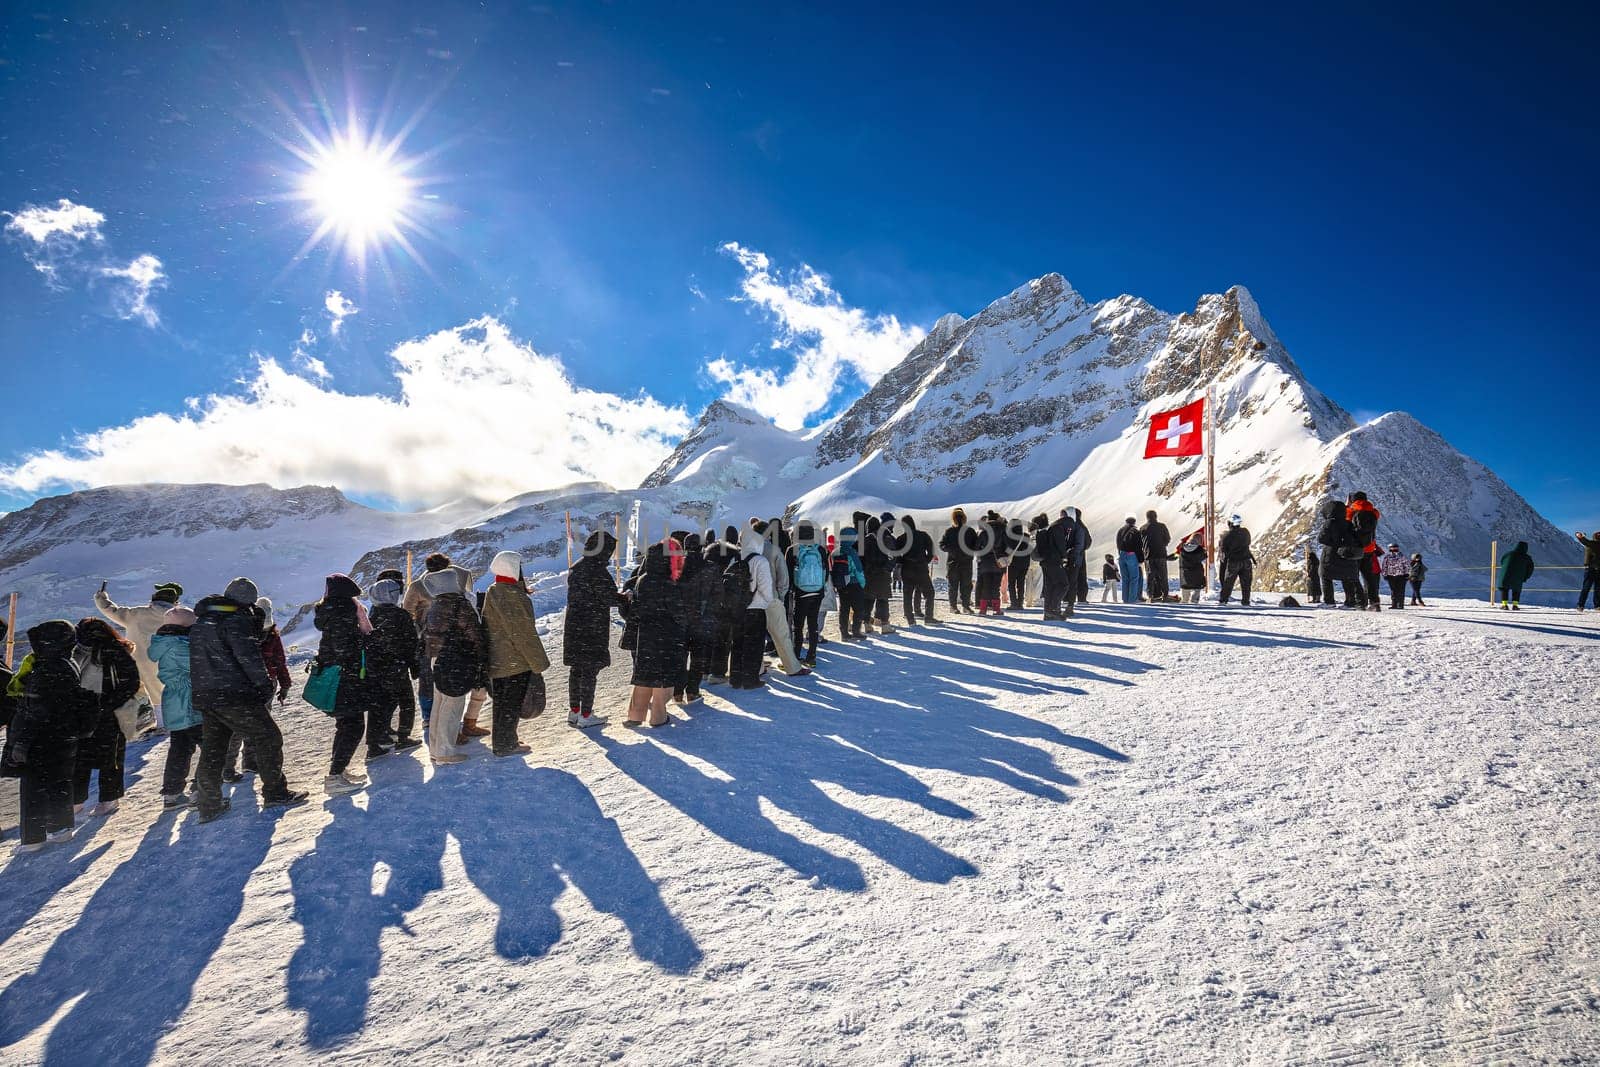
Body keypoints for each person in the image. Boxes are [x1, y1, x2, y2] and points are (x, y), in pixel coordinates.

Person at [191, 577, 307, 821]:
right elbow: (249, 658)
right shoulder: (236, 621)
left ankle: (208, 804)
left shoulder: (203, 621)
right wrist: (264, 687)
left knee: (214, 749)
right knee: (268, 737)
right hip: (235, 694)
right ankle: (275, 792)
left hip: (207, 695)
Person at [3, 621, 98, 851]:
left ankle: (33, 837)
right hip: (62, 735)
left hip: (39, 739)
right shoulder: (66, 664)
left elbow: (34, 711)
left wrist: (20, 742)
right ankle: (61, 828)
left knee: (33, 787)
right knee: (60, 782)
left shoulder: (43, 669)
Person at [69, 618, 141, 817]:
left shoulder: (76, 652)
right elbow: (131, 682)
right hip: (111, 714)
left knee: (80, 759)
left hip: (84, 713)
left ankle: (76, 800)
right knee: (111, 758)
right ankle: (109, 799)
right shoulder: (117, 650)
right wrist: (109, 703)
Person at [313, 573, 377, 794]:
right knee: (353, 725)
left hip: (336, 674)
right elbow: (344, 647)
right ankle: (334, 776)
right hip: (345, 677)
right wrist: (364, 641)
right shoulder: (343, 611)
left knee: (345, 724)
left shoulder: (329, 610)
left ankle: (338, 770)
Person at [481, 550, 549, 756]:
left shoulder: (495, 590)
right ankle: (505, 744)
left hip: (500, 658)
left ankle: (503, 740)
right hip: (513, 659)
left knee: (502, 702)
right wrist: (538, 663)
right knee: (511, 702)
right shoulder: (510, 594)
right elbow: (522, 632)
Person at [421, 566, 484, 764]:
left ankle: (435, 747)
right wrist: (480, 655)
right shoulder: (458, 604)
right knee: (453, 704)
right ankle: (445, 752)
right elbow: (474, 632)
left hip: (437, 658)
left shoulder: (435, 604)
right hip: (455, 659)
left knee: (439, 704)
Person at [564, 530, 625, 725]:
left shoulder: (577, 567)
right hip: (592, 626)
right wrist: (625, 598)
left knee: (576, 669)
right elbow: (608, 597)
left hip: (575, 624)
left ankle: (574, 710)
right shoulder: (597, 570)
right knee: (589, 669)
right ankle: (587, 714)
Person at [93, 580, 183, 712]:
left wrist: (101, 597)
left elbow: (110, 610)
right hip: (168, 662)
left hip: (138, 661)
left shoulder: (136, 614)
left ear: (153, 600)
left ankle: (148, 719)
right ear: (174, 602)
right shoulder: (180, 618)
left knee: (143, 695)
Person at [625, 543, 686, 727]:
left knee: (643, 677)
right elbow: (678, 613)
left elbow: (636, 607)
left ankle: (635, 716)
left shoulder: (642, 579)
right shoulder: (668, 584)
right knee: (662, 679)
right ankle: (658, 717)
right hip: (666, 635)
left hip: (644, 635)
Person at [148, 606, 202, 810]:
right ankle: (201, 789)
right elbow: (197, 666)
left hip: (175, 702)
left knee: (180, 748)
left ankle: (172, 793)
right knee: (212, 747)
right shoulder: (178, 645)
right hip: (188, 701)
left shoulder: (167, 642)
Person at [365, 578, 423, 751]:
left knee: (380, 704)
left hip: (376, 668)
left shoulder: (373, 614)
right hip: (397, 666)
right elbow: (411, 642)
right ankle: (403, 737)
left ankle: (373, 743)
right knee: (406, 701)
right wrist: (414, 666)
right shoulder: (400, 615)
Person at [403, 552, 453, 728]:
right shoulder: (419, 587)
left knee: (432, 677)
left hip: (437, 638)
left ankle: (438, 713)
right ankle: (429, 715)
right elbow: (407, 612)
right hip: (430, 638)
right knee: (429, 677)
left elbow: (407, 611)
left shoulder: (419, 586)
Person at [674, 533, 721, 700]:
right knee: (698, 657)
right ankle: (693, 690)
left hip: (680, 620)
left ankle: (677, 690)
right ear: (702, 546)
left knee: (680, 656)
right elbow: (717, 595)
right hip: (702, 619)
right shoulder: (711, 567)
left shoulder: (677, 567)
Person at [758, 521, 810, 671]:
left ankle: (758, 665)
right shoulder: (773, 550)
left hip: (752, 600)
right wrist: (781, 597)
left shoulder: (746, 550)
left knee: (756, 634)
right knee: (781, 635)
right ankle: (792, 667)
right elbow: (783, 578)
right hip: (771, 596)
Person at [788, 523, 830, 665]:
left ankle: (795, 657)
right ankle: (811, 657)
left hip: (801, 592)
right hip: (817, 592)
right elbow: (826, 571)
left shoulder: (793, 550)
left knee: (798, 626)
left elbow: (788, 574)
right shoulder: (820, 550)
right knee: (813, 625)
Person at [1315, 499, 1368, 609]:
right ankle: (1350, 602)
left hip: (1331, 555)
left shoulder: (1329, 523)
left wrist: (1333, 543)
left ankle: (1329, 601)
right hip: (1346, 554)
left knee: (1325, 576)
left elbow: (1321, 539)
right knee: (1347, 577)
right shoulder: (1348, 523)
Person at [859, 513, 897, 636]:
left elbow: (861, 559)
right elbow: (893, 557)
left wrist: (865, 570)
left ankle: (866, 624)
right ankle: (885, 625)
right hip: (883, 575)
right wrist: (888, 569)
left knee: (867, 599)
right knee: (883, 600)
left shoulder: (864, 540)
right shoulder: (888, 538)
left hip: (869, 575)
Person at [897, 515, 938, 625]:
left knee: (907, 594)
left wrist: (903, 561)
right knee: (929, 593)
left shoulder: (901, 538)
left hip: (907, 570)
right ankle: (929, 618)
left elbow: (895, 555)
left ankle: (910, 619)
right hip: (921, 569)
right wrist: (925, 561)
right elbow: (931, 551)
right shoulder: (923, 535)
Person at [829, 526, 868, 641]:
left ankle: (844, 633)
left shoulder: (834, 552)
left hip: (841, 584)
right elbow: (858, 570)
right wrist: (862, 584)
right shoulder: (852, 552)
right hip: (854, 584)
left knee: (844, 609)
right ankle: (856, 631)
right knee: (858, 609)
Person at [1346, 491, 1382, 612]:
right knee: (1369, 576)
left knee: (1353, 575)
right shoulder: (1373, 512)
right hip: (1369, 548)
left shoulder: (1351, 511)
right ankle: (1374, 602)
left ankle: (1360, 602)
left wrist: (1347, 506)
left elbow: (1345, 519)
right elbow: (1377, 516)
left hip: (1355, 548)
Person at [940, 508, 975, 613]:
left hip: (953, 563)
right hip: (966, 563)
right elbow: (977, 545)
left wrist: (952, 550)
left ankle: (953, 606)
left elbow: (942, 545)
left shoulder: (949, 531)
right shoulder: (970, 531)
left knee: (953, 586)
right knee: (966, 586)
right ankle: (965, 606)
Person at [974, 511, 1009, 615]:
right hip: (999, 563)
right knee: (996, 586)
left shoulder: (983, 532)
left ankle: (983, 609)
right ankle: (997, 609)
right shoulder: (1004, 531)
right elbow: (1008, 547)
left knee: (986, 586)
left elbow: (976, 548)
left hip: (985, 562)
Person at [1217, 516, 1254, 606]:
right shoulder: (1245, 532)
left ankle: (1223, 600)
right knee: (1246, 583)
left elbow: (1224, 551)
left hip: (1233, 562)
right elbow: (1248, 542)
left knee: (1228, 582)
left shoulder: (1227, 536)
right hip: (1246, 560)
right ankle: (1246, 601)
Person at [1140, 511, 1173, 602]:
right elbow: (1168, 539)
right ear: (1156, 516)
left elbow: (1141, 543)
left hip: (1149, 556)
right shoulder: (1162, 526)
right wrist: (1162, 545)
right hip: (1161, 555)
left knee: (1150, 577)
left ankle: (1150, 596)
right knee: (1163, 576)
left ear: (1147, 517)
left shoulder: (1143, 528)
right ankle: (1165, 595)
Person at [1496, 541, 1535, 610]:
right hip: (1518, 577)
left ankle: (1504, 605)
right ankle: (1515, 606)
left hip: (1506, 575)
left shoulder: (1508, 554)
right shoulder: (1527, 557)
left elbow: (1502, 561)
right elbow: (1530, 569)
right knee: (1516, 590)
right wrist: (1525, 577)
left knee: (1505, 589)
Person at [1115, 517, 1145, 603]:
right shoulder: (1135, 531)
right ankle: (1132, 599)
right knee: (1134, 578)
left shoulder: (1120, 530)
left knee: (1125, 578)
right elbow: (1139, 547)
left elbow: (1117, 544)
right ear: (1134, 523)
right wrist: (1140, 559)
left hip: (1122, 555)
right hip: (1132, 555)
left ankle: (1125, 599)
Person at [1005, 519, 1033, 611]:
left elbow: (1007, 550)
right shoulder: (1026, 536)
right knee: (1021, 583)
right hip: (1025, 563)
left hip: (1014, 563)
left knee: (1012, 583)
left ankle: (1014, 603)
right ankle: (1020, 603)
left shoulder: (1010, 537)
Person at [1177, 534, 1208, 603]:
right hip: (1197, 573)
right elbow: (1205, 560)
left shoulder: (1182, 548)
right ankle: (1194, 600)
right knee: (1197, 588)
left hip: (1185, 573)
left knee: (1185, 588)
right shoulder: (1200, 550)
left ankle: (1184, 601)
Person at [1380, 542, 1411, 609]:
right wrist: (1385, 574)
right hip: (1391, 576)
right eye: (1392, 547)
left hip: (1401, 576)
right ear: (1390, 548)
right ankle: (1394, 604)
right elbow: (1384, 566)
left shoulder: (1401, 556)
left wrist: (1407, 574)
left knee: (1401, 590)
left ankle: (1400, 604)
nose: (1394, 548)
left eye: (1395, 547)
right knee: (1393, 590)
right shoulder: (1387, 557)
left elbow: (1407, 565)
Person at [1576, 532, 1599, 611]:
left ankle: (1581, 605)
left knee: (1588, 588)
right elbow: (1586, 542)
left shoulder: (1591, 544)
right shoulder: (1593, 544)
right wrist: (1581, 537)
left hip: (1591, 569)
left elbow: (1585, 542)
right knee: (1596, 588)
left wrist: (1580, 537)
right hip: (1592, 569)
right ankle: (1596, 606)